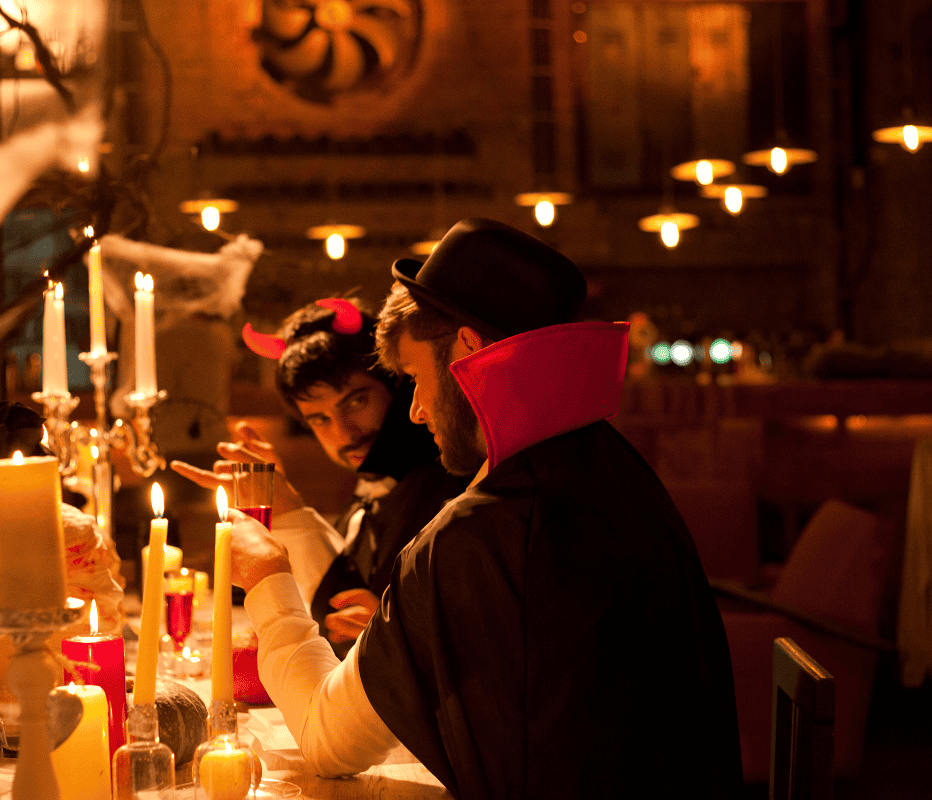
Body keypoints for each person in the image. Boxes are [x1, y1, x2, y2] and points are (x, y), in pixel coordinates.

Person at [225, 219, 744, 799]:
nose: (416, 410)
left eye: (417, 378)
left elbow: (325, 739)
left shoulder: (476, 534)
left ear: (469, 351)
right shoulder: (620, 471)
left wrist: (268, 576)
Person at [171, 298, 464, 655]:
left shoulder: (447, 490)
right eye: (319, 419)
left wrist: (289, 510)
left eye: (356, 402)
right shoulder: (368, 494)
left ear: (399, 385)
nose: (343, 432)